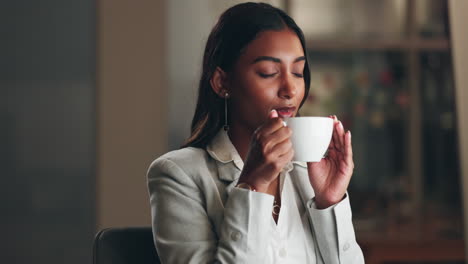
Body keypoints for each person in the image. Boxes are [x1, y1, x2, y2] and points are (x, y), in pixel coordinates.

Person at [147, 2, 364, 263]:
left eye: (297, 72)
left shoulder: (309, 175)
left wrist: (330, 202)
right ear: (222, 82)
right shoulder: (179, 175)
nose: (290, 89)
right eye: (268, 73)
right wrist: (253, 186)